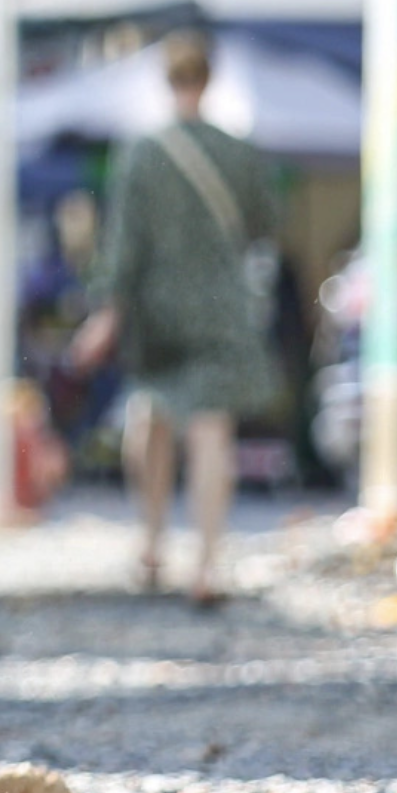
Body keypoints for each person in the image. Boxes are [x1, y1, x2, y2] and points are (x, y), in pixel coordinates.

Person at [68, 32, 280, 604]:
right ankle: (207, 563)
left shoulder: (143, 153)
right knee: (211, 433)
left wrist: (106, 312)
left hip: (157, 312)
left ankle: (153, 541)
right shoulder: (238, 151)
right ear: (209, 80)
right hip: (220, 310)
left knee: (150, 422)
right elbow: (264, 223)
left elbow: (123, 244)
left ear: (167, 81)